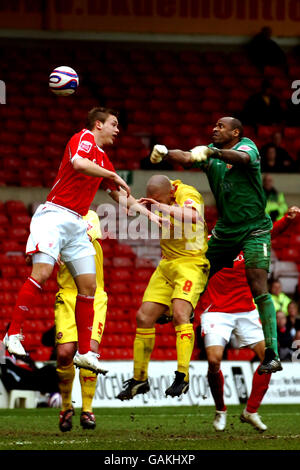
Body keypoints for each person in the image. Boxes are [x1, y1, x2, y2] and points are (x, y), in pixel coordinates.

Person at [3, 107, 158, 375]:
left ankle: (85, 353)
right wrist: (113, 175)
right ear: (98, 124)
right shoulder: (83, 137)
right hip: (54, 214)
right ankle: (13, 334)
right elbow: (78, 164)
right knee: (42, 273)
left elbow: (119, 196)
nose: (117, 129)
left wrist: (147, 214)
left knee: (89, 286)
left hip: (76, 222)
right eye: (114, 124)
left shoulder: (103, 159)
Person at [149, 116, 283, 374]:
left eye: (221, 127)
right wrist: (165, 153)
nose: (215, 128)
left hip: (255, 228)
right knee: (199, 265)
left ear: (235, 132)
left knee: (257, 281)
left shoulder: (247, 147)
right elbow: (187, 157)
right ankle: (180, 311)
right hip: (226, 230)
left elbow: (241, 159)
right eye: (214, 126)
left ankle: (272, 353)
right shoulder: (210, 156)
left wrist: (213, 151)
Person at [198, 207, 300, 432]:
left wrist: (288, 219)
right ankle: (220, 409)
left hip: (246, 310)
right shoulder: (209, 244)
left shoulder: (250, 240)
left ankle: (251, 411)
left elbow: (270, 233)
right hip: (216, 310)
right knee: (214, 361)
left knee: (269, 359)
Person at [116, 175, 209, 400]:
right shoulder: (158, 199)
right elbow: (123, 198)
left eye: (160, 200)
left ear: (169, 194)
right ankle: (139, 379)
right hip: (167, 265)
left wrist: (160, 208)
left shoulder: (187, 193)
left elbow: (194, 216)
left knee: (180, 315)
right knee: (143, 317)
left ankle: (182, 377)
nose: (156, 204)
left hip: (191, 264)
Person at [55, 210, 106, 432]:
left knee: (90, 351)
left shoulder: (90, 215)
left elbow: (88, 235)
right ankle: (66, 406)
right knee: (64, 353)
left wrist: (57, 243)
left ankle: (87, 409)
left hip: (94, 296)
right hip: (67, 295)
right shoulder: (53, 221)